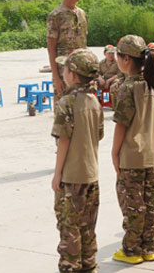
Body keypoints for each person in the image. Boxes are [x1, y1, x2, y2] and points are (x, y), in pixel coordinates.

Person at [51, 49, 104, 273]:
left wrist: (57, 174)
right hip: (91, 175)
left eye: (64, 68)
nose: (62, 71)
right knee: (87, 229)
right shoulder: (94, 100)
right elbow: (99, 134)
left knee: (69, 230)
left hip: (72, 176)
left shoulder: (67, 102)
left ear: (72, 74)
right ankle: (89, 267)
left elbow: (63, 140)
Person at [111, 35, 154, 264]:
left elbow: (122, 124)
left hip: (132, 156)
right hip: (150, 156)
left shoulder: (127, 87)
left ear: (126, 60)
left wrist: (114, 152)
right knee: (149, 204)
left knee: (133, 206)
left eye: (117, 56)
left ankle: (131, 250)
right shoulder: (149, 82)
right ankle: (148, 246)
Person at [47, 0, 88, 101]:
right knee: (64, 113)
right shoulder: (56, 15)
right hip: (64, 71)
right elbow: (51, 48)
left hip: (81, 71)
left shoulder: (81, 13)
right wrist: (56, 77)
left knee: (81, 111)